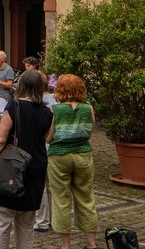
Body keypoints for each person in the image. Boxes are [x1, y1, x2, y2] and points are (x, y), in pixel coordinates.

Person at [0, 70, 53, 249]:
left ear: (21, 85)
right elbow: (47, 138)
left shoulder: (13, 106)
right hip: (35, 167)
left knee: (2, 222)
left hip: (11, 166)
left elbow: (0, 139)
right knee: (26, 225)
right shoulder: (47, 112)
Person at [47, 74, 99, 249]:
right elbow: (89, 133)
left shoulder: (56, 110)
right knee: (86, 197)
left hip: (59, 156)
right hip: (83, 154)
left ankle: (65, 245)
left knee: (61, 200)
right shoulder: (88, 108)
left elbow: (49, 138)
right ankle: (91, 243)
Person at [23, 55, 51, 232]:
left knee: (41, 186)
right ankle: (52, 219)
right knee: (51, 186)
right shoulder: (49, 106)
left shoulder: (28, 105)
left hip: (38, 149)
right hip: (49, 147)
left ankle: (41, 220)